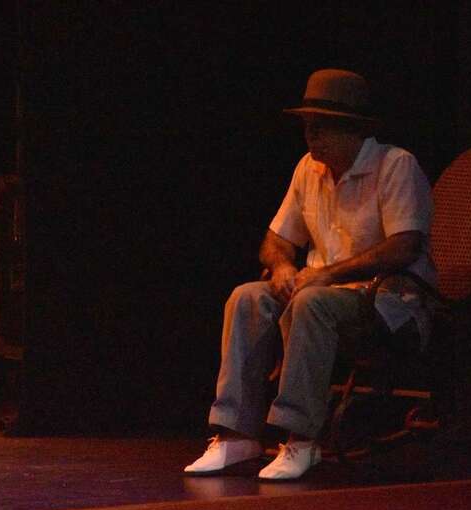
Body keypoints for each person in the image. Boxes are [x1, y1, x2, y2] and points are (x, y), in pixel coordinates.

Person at [184, 69, 436, 480]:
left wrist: (326, 275)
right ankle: (235, 435)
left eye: (322, 126)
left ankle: (301, 438)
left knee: (312, 301)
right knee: (248, 296)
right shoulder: (309, 168)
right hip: (319, 293)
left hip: (388, 305)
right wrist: (284, 265)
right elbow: (276, 239)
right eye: (307, 126)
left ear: (353, 129)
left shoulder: (395, 166)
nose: (311, 136)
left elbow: (404, 246)